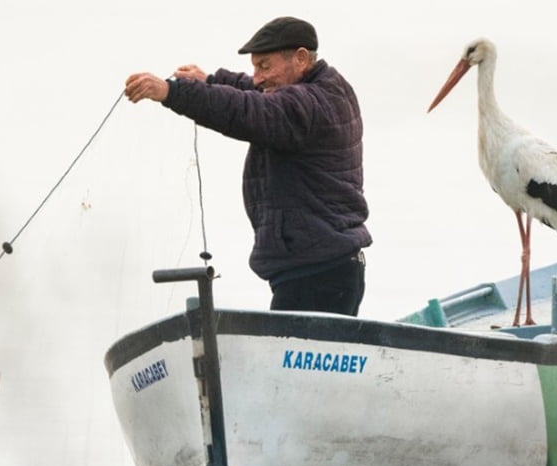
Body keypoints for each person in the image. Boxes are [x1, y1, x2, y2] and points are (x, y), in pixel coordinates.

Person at [124, 16, 372, 316]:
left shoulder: (308, 104)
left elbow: (246, 109)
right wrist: (212, 81)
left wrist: (171, 92)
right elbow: (257, 93)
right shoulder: (325, 87)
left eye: (264, 66)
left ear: (301, 58)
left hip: (317, 275)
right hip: (324, 267)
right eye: (255, 67)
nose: (256, 77)